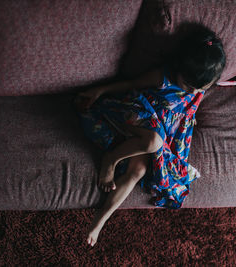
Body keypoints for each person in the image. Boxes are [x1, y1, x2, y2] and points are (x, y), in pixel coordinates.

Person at [74, 28, 226, 247]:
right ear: (179, 68)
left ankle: (99, 221)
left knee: (138, 171)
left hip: (161, 127)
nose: (193, 93)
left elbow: (190, 101)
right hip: (137, 112)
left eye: (199, 89)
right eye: (188, 86)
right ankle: (111, 159)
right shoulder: (161, 77)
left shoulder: (200, 85)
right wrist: (99, 91)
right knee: (154, 142)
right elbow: (129, 85)